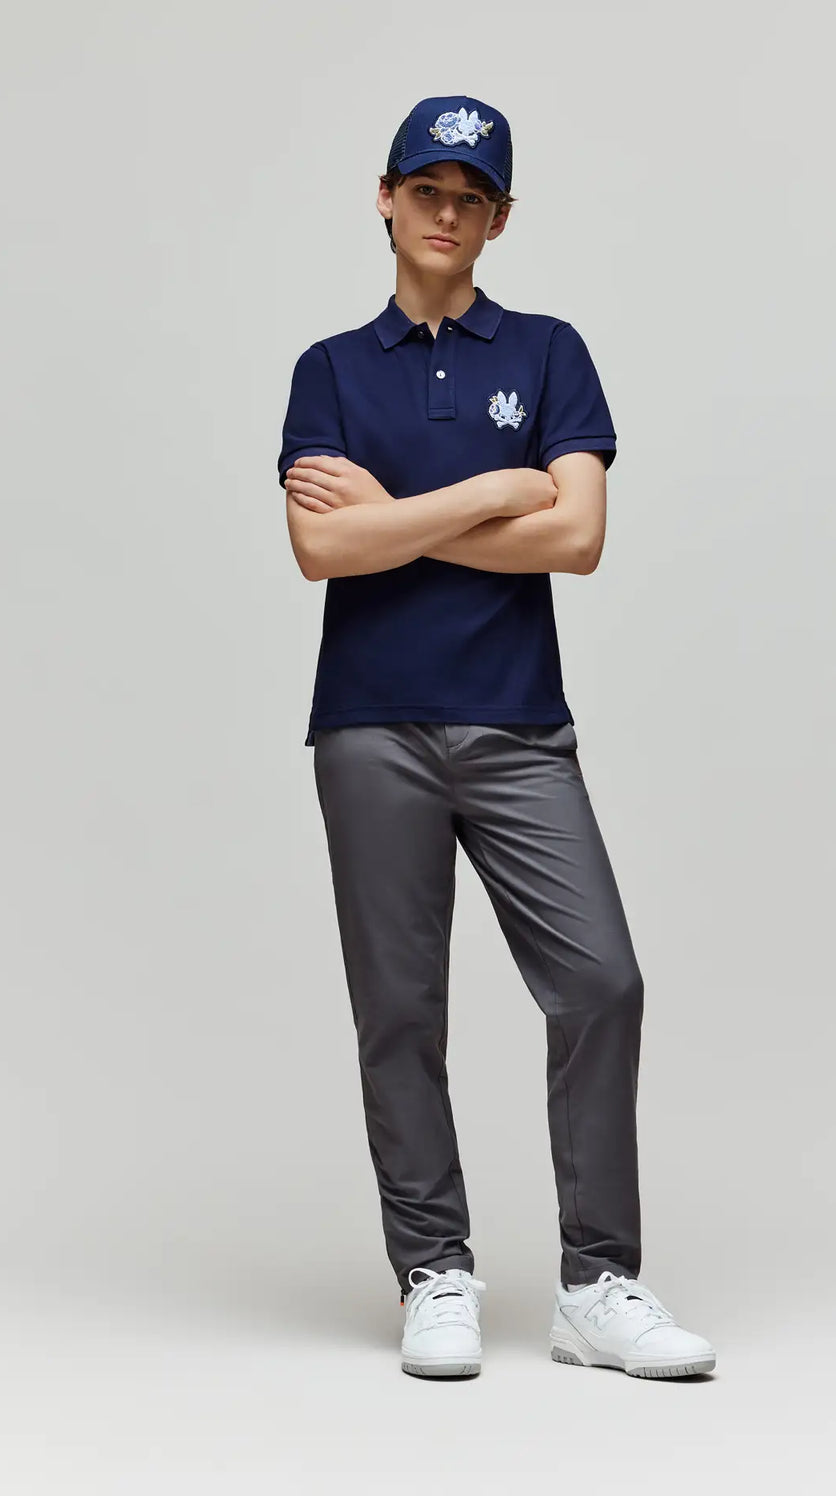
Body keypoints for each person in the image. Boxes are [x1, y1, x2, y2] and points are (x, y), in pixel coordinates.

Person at [277, 94, 715, 1381]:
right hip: (370, 725)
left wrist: (398, 515)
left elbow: (575, 537)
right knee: (400, 1009)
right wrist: (489, 489)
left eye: (472, 198)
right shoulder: (328, 370)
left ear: (500, 219)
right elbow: (319, 548)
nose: (447, 214)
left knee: (602, 981)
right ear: (386, 197)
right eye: (427, 190)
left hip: (520, 726)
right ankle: (435, 1269)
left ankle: (597, 1284)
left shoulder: (551, 351)